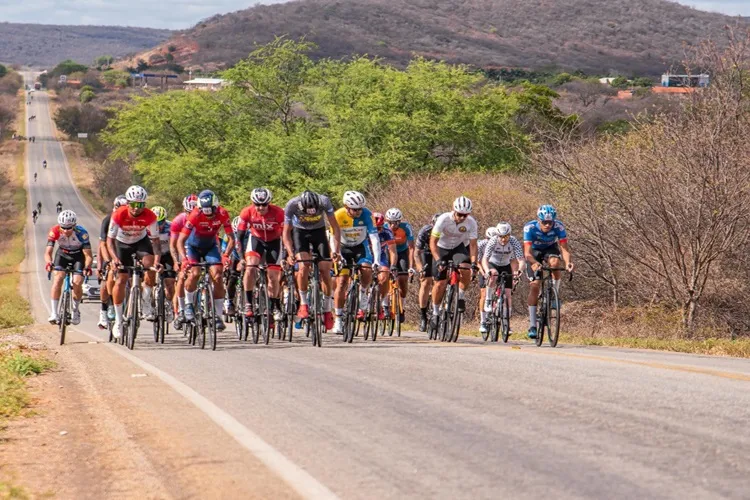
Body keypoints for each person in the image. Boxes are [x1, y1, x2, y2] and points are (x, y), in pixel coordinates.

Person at [107, 185, 161, 338]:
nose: (137, 208)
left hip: (140, 242)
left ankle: (145, 300)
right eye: (133, 204)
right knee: (121, 279)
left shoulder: (150, 215)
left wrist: (157, 261)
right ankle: (118, 320)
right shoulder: (119, 214)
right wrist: (115, 259)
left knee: (149, 265)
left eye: (141, 205)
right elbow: (109, 240)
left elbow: (156, 241)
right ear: (128, 203)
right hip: (121, 244)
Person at [282, 190, 340, 331]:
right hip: (299, 232)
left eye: (314, 212)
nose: (310, 214)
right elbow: (286, 233)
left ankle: (327, 309)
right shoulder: (292, 204)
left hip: (319, 232)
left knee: (325, 269)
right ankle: (303, 303)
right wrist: (290, 253)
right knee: (303, 266)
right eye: (307, 212)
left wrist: (336, 251)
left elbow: (335, 227)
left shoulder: (324, 201)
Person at [176, 189, 233, 331]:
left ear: (216, 207)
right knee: (194, 273)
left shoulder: (223, 214)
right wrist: (184, 259)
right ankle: (188, 305)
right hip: (193, 246)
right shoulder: (195, 214)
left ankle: (218, 316)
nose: (208, 215)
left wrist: (226, 255)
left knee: (218, 276)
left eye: (211, 211)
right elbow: (181, 240)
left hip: (210, 246)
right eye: (204, 211)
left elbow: (232, 238)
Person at [329, 190, 380, 334]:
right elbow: (333, 237)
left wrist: (376, 259)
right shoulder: (338, 215)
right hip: (343, 248)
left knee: (367, 269)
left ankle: (363, 294)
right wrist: (337, 254)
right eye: (355, 209)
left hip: (360, 247)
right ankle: (338, 319)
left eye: (360, 209)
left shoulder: (367, 214)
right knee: (342, 282)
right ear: (346, 207)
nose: (358, 212)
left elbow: (374, 238)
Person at [523, 205, 574, 339]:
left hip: (550, 249)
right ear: (538, 220)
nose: (547, 225)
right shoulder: (530, 228)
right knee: (535, 286)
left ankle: (554, 295)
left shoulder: (559, 227)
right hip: (534, 253)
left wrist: (568, 262)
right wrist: (534, 263)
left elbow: (564, 249)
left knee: (556, 264)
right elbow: (527, 253)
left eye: (550, 222)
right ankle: (533, 325)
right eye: (544, 222)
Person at [429, 197, 478, 332]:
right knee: (440, 283)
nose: (462, 217)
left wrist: (474, 263)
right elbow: (433, 242)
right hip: (441, 248)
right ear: (454, 210)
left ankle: (460, 296)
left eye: (465, 215)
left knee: (466, 269)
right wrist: (438, 260)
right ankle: (435, 312)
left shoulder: (471, 222)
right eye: (459, 214)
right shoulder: (443, 219)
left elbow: (473, 245)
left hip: (458, 247)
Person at [236, 187, 285, 321]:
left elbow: (286, 234)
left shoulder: (278, 213)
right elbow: (239, 237)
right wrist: (241, 258)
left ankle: (274, 305)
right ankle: (248, 303)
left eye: (264, 204)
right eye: (257, 204)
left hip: (274, 242)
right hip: (256, 240)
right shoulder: (247, 212)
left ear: (269, 203)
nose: (261, 208)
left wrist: (287, 255)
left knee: (273, 276)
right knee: (250, 267)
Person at [45, 210, 93, 325]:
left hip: (78, 256)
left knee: (77, 282)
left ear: (74, 225)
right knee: (57, 279)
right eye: (63, 228)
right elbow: (48, 252)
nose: (66, 230)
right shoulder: (54, 231)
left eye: (69, 228)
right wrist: (48, 263)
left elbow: (88, 255)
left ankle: (75, 310)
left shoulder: (82, 233)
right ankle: (54, 313)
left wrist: (87, 267)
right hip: (62, 254)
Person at [482, 222, 525, 335]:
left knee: (508, 294)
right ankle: (488, 299)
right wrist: (487, 271)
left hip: (505, 265)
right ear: (497, 235)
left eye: (506, 236)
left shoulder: (514, 241)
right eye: (501, 236)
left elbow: (521, 259)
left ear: (509, 235)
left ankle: (507, 322)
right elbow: (484, 259)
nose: (503, 239)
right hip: (493, 264)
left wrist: (519, 271)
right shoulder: (492, 241)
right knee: (494, 274)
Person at [96, 195, 127, 329]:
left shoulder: (132, 220)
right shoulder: (108, 220)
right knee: (106, 281)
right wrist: (105, 262)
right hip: (109, 251)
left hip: (124, 250)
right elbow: (102, 245)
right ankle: (104, 310)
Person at [170, 193, 198, 329]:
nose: (191, 215)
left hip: (197, 248)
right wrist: (176, 261)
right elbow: (173, 244)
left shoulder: (203, 218)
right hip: (183, 249)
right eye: (188, 212)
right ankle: (179, 311)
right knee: (181, 277)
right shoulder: (178, 220)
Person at [384, 208, 416, 323]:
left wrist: (411, 267)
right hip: (387, 251)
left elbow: (412, 248)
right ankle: (385, 305)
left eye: (396, 222)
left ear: (400, 221)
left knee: (403, 279)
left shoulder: (406, 227)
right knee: (385, 276)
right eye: (390, 222)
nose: (393, 225)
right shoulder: (383, 227)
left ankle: (402, 308)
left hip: (402, 252)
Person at [149, 206, 175, 323]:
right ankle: (149, 304)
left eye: (161, 222)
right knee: (148, 279)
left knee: (170, 283)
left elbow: (174, 246)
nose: (159, 225)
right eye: (156, 222)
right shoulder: (146, 228)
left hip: (168, 254)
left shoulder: (170, 227)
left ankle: (169, 305)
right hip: (152, 254)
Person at [415, 214, 440, 331]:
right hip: (427, 253)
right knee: (425, 281)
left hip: (440, 254)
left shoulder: (448, 230)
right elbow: (416, 253)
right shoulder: (425, 231)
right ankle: (423, 316)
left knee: (440, 281)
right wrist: (420, 269)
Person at [373, 212, 398, 319]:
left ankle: (384, 303)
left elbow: (392, 251)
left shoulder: (387, 232)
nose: (379, 230)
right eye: (376, 228)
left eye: (380, 228)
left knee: (384, 277)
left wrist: (393, 265)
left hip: (381, 256)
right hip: (366, 254)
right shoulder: (364, 229)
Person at [476, 227, 498, 334]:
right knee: (484, 294)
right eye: (489, 239)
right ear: (486, 238)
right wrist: (483, 272)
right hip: (484, 268)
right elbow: (478, 262)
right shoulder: (481, 244)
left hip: (496, 267)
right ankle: (483, 321)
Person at [221, 216, 244, 316]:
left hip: (247, 254)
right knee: (232, 278)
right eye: (235, 234)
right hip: (235, 256)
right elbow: (224, 250)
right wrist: (226, 262)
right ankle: (230, 301)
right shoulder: (227, 236)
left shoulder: (249, 234)